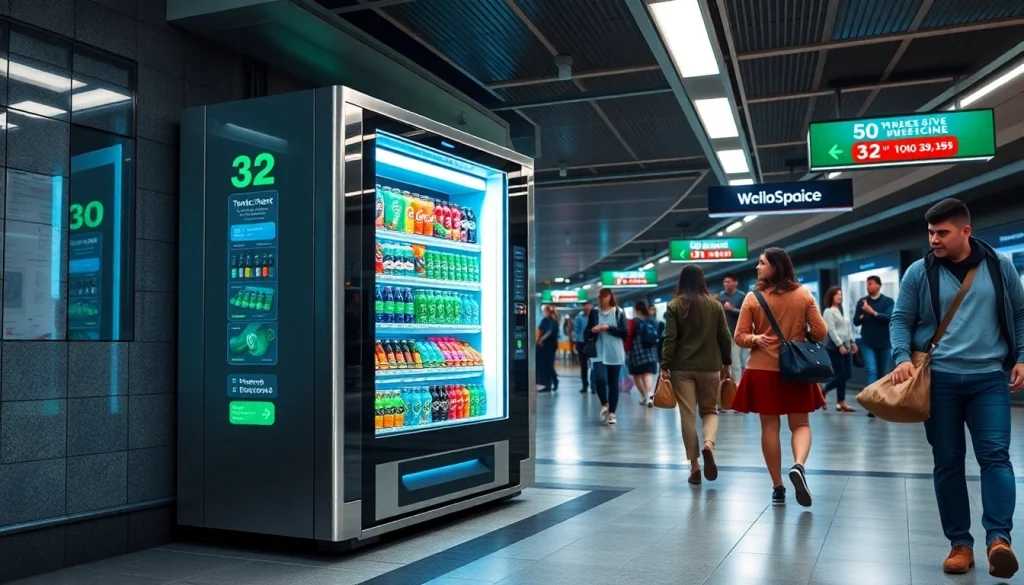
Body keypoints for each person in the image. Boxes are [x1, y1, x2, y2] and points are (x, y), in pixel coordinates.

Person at [890, 198, 1024, 579]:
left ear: (966, 231)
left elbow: (1019, 312)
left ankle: (999, 539)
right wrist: (901, 356)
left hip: (989, 379)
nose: (934, 239)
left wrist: (1023, 355)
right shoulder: (920, 272)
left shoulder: (999, 267)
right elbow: (901, 318)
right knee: (947, 463)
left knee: (996, 457)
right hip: (940, 381)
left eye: (942, 232)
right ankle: (960, 545)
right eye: (930, 232)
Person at [732, 248, 828, 507]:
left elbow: (739, 336)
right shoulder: (803, 294)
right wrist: (800, 337)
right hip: (796, 370)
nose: (757, 267)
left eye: (762, 263)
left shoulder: (753, 298)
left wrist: (755, 339)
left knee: (769, 427)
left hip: (762, 370)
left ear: (775, 266)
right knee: (801, 424)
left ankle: (778, 487)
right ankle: (798, 465)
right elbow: (820, 331)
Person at [660, 265, 732, 485]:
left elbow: (670, 338)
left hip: (682, 368)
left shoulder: (674, 306)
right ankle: (708, 444)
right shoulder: (715, 305)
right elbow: (724, 337)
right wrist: (726, 363)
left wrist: (665, 365)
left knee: (688, 415)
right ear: (702, 280)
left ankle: (694, 468)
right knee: (710, 410)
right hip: (710, 367)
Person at [584, 288, 628, 424]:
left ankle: (612, 413)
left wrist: (608, 328)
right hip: (598, 352)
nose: (601, 299)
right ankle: (604, 403)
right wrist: (593, 330)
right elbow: (587, 332)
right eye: (600, 297)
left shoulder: (618, 312)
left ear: (610, 297)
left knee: (613, 382)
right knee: (600, 379)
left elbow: (624, 332)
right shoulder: (594, 312)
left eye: (604, 296)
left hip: (614, 352)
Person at [854, 274, 895, 417]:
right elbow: (856, 321)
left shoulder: (888, 302)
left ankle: (880, 404)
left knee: (883, 373)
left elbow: (889, 318)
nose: (868, 287)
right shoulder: (862, 302)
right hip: (867, 342)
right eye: (867, 284)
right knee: (872, 370)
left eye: (870, 284)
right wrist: (864, 314)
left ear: (878, 285)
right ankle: (872, 405)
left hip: (884, 342)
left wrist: (873, 312)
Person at [821, 286, 857, 412]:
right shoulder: (828, 311)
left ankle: (841, 401)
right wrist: (839, 345)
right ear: (831, 296)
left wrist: (852, 342)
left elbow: (847, 329)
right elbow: (831, 330)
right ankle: (824, 391)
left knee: (847, 374)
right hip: (835, 348)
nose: (840, 296)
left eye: (841, 294)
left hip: (846, 346)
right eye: (837, 294)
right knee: (841, 374)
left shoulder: (840, 311)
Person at [719, 273, 749, 404]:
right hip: (727, 333)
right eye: (724, 282)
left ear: (735, 283)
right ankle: (735, 390)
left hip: (741, 332)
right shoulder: (721, 296)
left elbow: (745, 313)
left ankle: (740, 388)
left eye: (728, 282)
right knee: (734, 362)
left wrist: (731, 309)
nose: (726, 284)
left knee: (743, 362)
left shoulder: (742, 296)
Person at [625, 300, 660, 407]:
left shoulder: (634, 321)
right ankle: (650, 394)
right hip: (650, 350)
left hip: (637, 351)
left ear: (637, 310)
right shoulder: (652, 320)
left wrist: (626, 348)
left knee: (637, 375)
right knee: (648, 373)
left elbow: (628, 336)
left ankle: (644, 396)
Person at [535, 305, 559, 392]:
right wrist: (538, 340)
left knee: (548, 365)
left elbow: (549, 332)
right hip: (543, 346)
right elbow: (540, 330)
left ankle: (549, 384)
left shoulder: (553, 321)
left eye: (545, 311)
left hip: (550, 346)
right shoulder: (544, 320)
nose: (544, 313)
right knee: (544, 365)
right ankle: (547, 383)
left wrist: (541, 339)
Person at [575, 301, 593, 393]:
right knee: (584, 366)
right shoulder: (579, 317)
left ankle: (594, 386)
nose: (587, 307)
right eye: (585, 306)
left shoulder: (594, 316)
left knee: (594, 365)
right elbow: (576, 331)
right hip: (581, 343)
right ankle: (584, 385)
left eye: (588, 305)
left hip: (592, 343)